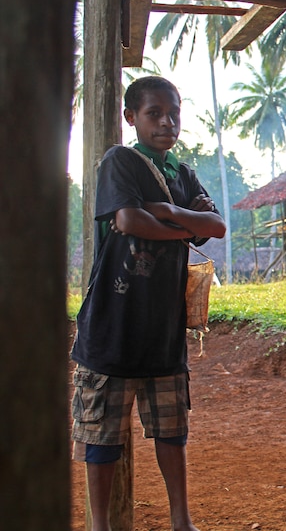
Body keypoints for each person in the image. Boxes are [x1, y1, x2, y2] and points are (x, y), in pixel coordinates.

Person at [70, 76, 226, 531]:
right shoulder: (120, 160)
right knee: (101, 438)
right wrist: (184, 222)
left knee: (172, 432)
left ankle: (182, 520)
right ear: (130, 118)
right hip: (112, 328)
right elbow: (128, 218)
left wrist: (169, 213)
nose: (166, 121)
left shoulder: (181, 171)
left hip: (163, 330)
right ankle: (101, 526)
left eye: (173, 112)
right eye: (154, 113)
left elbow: (215, 226)